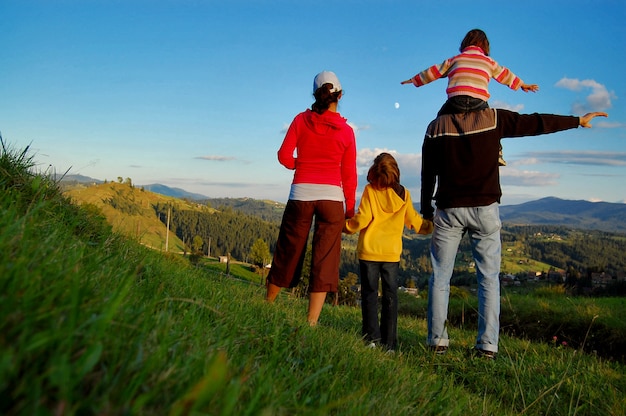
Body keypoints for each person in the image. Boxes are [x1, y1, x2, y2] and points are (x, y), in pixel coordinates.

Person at [420, 108, 608, 359]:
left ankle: (437, 343)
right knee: (488, 279)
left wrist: (425, 210)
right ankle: (487, 346)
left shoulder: (436, 126)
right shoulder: (494, 117)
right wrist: (577, 121)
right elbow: (535, 123)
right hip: (485, 208)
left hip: (448, 207)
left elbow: (428, 171)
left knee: (440, 277)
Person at [266, 71, 357, 327]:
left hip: (301, 195)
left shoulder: (300, 120)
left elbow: (284, 156)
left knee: (288, 250)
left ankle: (268, 303)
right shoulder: (347, 132)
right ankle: (311, 322)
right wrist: (349, 209)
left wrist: (301, 164)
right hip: (331, 199)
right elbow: (349, 176)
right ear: (339, 95)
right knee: (325, 259)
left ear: (316, 95)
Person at [401, 28, 539, 166]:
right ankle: (497, 152)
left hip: (455, 102)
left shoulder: (455, 60)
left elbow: (434, 71)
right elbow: (505, 74)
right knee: (492, 123)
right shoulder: (489, 62)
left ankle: (438, 144)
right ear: (485, 45)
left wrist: (414, 80)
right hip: (478, 102)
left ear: (465, 43)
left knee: (439, 119)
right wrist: (522, 84)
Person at [344, 153, 433, 351]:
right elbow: (414, 221)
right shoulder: (404, 194)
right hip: (391, 254)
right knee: (390, 297)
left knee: (369, 295)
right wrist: (429, 226)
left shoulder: (370, 190)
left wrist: (346, 226)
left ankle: (371, 339)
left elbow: (363, 219)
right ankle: (390, 343)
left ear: (375, 171)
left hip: (369, 251)